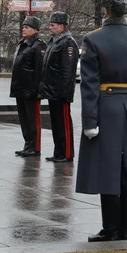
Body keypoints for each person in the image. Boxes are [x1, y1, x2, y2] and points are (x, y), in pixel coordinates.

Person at [76, 0, 127, 242]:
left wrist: (89, 120)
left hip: (105, 106)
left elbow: (89, 84)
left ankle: (110, 227)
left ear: (106, 9)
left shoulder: (93, 39)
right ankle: (126, 227)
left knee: (107, 168)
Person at [38, 12, 79, 163]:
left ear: (62, 26)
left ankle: (66, 153)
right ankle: (58, 152)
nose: (50, 27)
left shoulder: (67, 43)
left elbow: (68, 70)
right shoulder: (54, 41)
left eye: (53, 25)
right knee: (56, 123)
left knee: (63, 123)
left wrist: (65, 91)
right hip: (52, 89)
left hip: (60, 91)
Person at [11, 16, 47, 157]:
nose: (23, 29)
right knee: (24, 119)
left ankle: (35, 147)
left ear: (35, 30)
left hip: (31, 89)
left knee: (33, 120)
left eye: (27, 27)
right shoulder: (22, 43)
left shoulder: (38, 45)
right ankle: (27, 145)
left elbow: (40, 69)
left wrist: (38, 89)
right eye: (23, 27)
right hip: (20, 88)